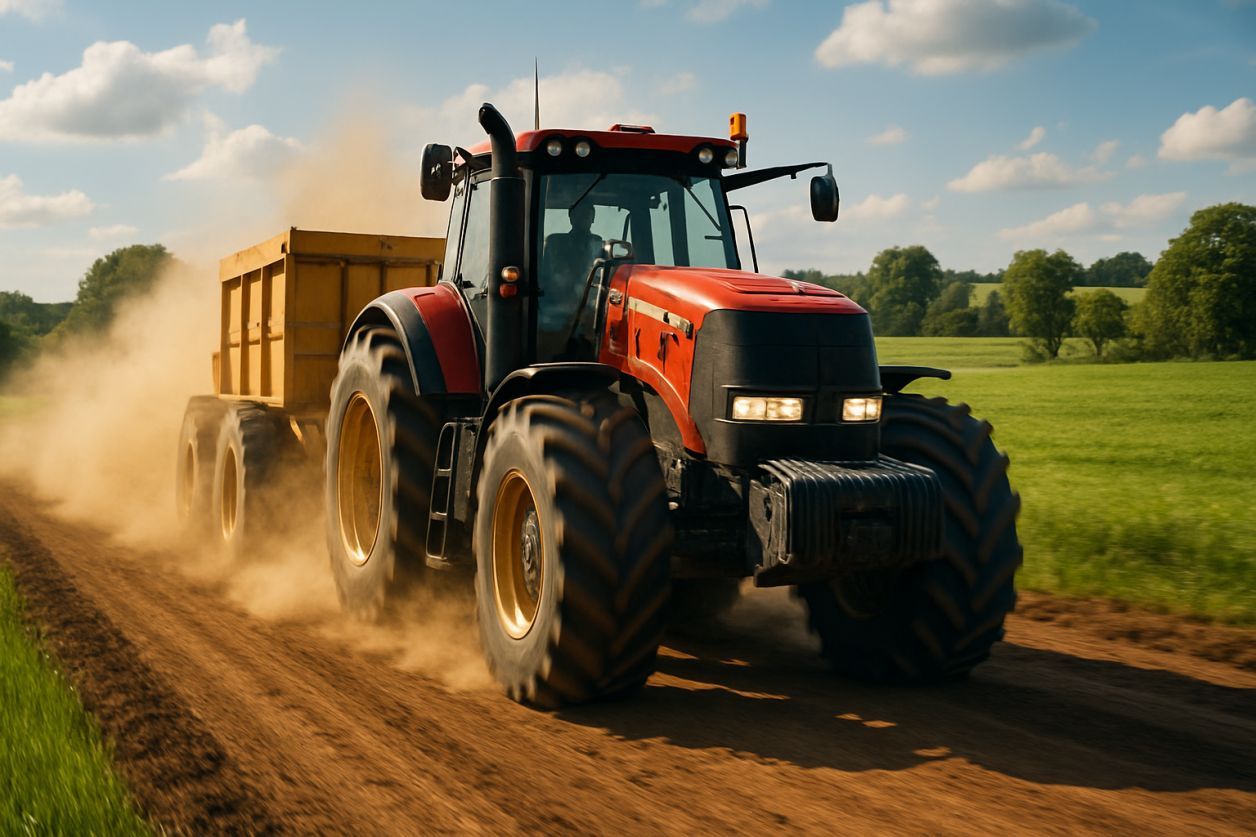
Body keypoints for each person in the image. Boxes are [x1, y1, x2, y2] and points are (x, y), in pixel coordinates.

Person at [539, 202, 603, 340]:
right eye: (579, 214)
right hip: (559, 302)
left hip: (592, 303)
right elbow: (551, 279)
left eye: (587, 214)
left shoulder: (599, 245)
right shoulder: (556, 244)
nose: (583, 217)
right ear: (571, 218)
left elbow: (601, 278)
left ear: (593, 218)